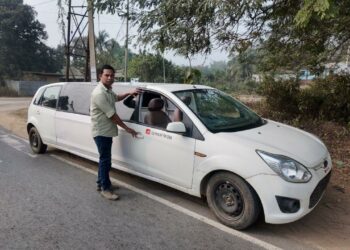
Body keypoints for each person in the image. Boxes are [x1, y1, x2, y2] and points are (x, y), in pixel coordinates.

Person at [90, 64, 139, 200]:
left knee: (104, 160)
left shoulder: (107, 90)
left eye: (112, 75)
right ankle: (105, 189)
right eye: (107, 75)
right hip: (101, 132)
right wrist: (128, 129)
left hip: (106, 131)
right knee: (105, 161)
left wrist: (129, 92)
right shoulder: (99, 93)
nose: (110, 78)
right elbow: (112, 116)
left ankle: (101, 183)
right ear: (100, 76)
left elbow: (116, 97)